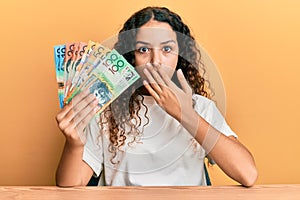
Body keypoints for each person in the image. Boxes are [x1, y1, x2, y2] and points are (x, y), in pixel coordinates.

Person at [55, 6, 258, 187]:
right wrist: (75, 145)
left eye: (167, 49)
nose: (155, 61)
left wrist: (185, 114)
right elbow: (70, 184)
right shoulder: (106, 109)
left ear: (180, 56)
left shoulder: (199, 106)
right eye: (144, 50)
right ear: (131, 58)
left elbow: (247, 174)